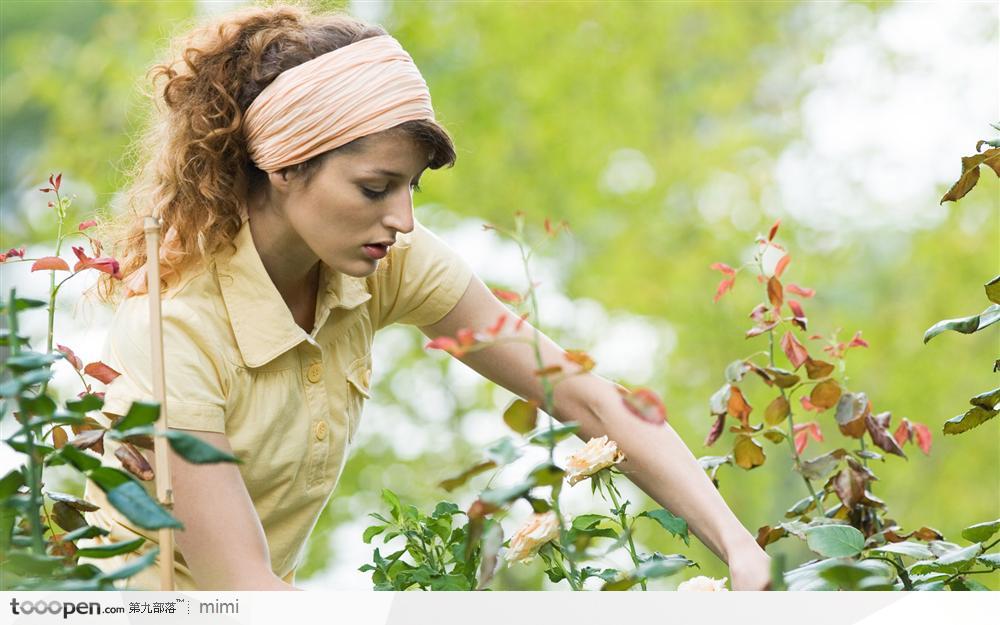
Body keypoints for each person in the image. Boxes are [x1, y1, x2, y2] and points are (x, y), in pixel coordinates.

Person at [80, 4, 772, 591]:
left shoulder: (380, 259)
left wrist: (737, 546)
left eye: (412, 188)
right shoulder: (175, 330)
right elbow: (251, 592)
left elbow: (585, 396)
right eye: (376, 188)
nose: (403, 219)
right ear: (286, 165)